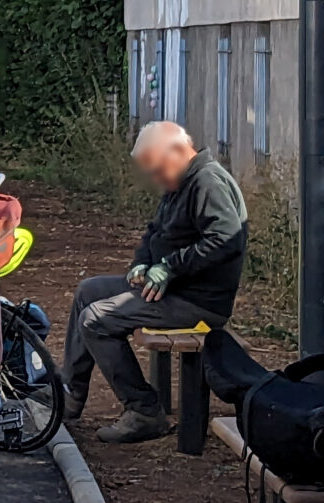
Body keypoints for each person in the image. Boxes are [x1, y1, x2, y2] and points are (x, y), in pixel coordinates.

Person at [64, 121, 247, 444]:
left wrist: (170, 268)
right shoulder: (181, 182)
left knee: (96, 319)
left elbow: (226, 240)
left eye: (159, 170)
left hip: (197, 300)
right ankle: (70, 395)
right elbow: (155, 232)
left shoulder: (207, 182)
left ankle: (144, 411)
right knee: (87, 291)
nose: (157, 179)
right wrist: (142, 263)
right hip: (170, 288)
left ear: (178, 151)